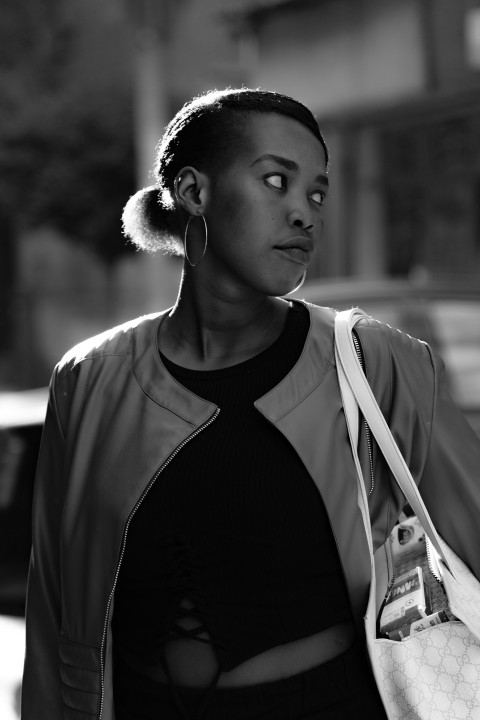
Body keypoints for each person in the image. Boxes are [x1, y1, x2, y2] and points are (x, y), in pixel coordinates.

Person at [21, 88, 480, 720]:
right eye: (275, 181)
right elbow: (56, 607)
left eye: (316, 193)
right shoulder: (89, 380)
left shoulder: (380, 362)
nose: (305, 214)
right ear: (193, 191)